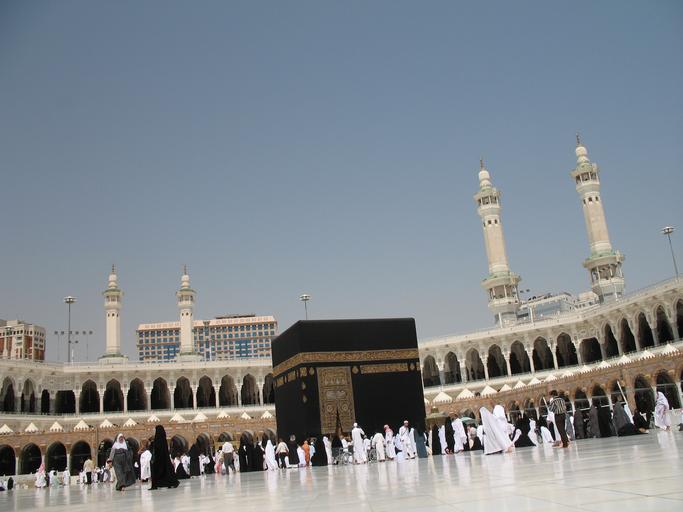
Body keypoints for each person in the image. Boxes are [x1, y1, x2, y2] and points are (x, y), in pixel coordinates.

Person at [150, 425, 179, 489]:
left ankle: (156, 485)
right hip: (165, 459)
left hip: (158, 459)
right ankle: (171, 483)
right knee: (167, 471)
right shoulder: (164, 439)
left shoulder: (157, 439)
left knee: (157, 472)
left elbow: (156, 449)